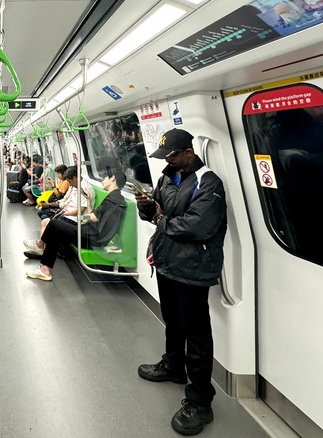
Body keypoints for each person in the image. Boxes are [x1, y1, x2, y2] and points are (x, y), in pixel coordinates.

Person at [135, 128, 227, 436]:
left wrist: (161, 219)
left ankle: (201, 400)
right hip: (167, 262)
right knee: (172, 321)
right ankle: (173, 366)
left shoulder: (208, 182)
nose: (169, 162)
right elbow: (158, 213)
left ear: (188, 152)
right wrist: (147, 206)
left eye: (173, 156)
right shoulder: (165, 178)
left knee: (196, 332)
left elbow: (197, 226)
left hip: (193, 268)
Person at [24, 168, 127, 281]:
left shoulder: (113, 199)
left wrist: (79, 217)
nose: (103, 180)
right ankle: (44, 267)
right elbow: (93, 215)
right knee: (55, 229)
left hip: (92, 237)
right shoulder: (115, 197)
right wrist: (88, 200)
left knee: (54, 224)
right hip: (91, 233)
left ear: (113, 178)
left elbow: (93, 217)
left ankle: (40, 247)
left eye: (105, 177)